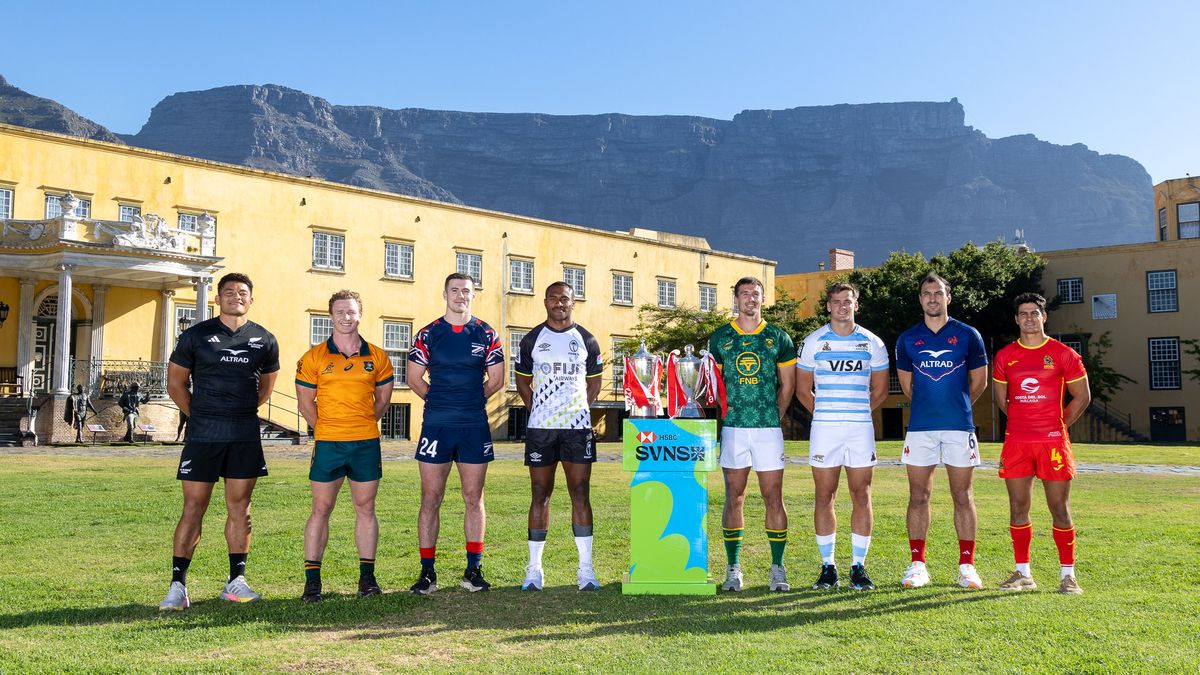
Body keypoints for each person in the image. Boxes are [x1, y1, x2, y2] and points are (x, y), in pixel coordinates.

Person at [159, 272, 280, 611]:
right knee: (193, 507)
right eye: (229, 292)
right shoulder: (195, 335)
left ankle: (235, 582)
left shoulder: (265, 339)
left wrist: (238, 412)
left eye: (242, 292)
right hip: (204, 435)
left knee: (240, 507)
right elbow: (175, 384)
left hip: (243, 435)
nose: (235, 296)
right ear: (218, 298)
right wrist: (200, 415)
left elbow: (265, 388)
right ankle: (178, 586)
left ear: (251, 300)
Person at [406, 273, 505, 594]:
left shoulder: (486, 333)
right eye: (455, 290)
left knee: (474, 497)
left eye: (466, 291)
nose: (460, 296)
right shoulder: (428, 333)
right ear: (445, 294)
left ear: (473, 295)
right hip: (437, 425)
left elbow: (497, 380)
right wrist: (439, 400)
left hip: (473, 425)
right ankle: (427, 573)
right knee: (430, 498)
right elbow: (414, 378)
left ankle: (473, 570)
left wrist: (471, 400)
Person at [295, 290, 395, 603]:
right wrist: (326, 428)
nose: (346, 317)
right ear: (331, 316)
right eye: (340, 312)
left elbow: (383, 400)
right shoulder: (313, 357)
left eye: (351, 312)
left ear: (360, 315)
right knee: (320, 508)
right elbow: (305, 403)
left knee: (366, 508)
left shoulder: (377, 356)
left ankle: (367, 579)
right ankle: (312, 582)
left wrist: (362, 423)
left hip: (365, 443)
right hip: (329, 443)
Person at [894, 273, 989, 590]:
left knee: (963, 495)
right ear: (920, 299)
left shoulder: (968, 335)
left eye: (938, 293)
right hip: (921, 428)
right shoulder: (907, 339)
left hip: (959, 427)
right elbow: (908, 387)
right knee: (918, 496)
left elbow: (979, 382)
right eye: (926, 293)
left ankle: (967, 567)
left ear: (948, 297)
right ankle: (917, 565)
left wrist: (955, 407)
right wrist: (932, 407)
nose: (932, 298)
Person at [993, 292, 1090, 594]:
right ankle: (1023, 573)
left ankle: (1068, 576)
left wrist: (1056, 425)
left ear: (1044, 317)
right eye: (1023, 313)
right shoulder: (1005, 356)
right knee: (1018, 506)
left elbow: (1082, 397)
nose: (1029, 318)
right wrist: (1025, 423)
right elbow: (1003, 401)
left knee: (1059, 507)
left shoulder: (1063, 354)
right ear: (1016, 319)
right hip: (1017, 443)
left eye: (1034, 313)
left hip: (1053, 443)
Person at [795, 282, 889, 591]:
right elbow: (803, 390)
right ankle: (828, 567)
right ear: (828, 306)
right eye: (836, 302)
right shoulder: (813, 342)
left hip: (860, 429)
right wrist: (826, 413)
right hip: (825, 429)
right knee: (825, 495)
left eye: (847, 301)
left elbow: (880, 390)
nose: (842, 307)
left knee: (862, 494)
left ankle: (858, 567)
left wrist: (857, 412)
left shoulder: (873, 342)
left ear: (856, 305)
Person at [707, 277, 796, 592]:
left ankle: (777, 567)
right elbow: (713, 385)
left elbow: (788, 385)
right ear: (736, 299)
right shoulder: (720, 338)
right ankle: (733, 568)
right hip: (734, 429)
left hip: (767, 430)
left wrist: (774, 416)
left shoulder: (778, 337)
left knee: (774, 497)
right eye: (744, 294)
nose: (750, 299)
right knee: (734, 497)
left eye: (755, 294)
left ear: (763, 299)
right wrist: (727, 412)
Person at [514, 282, 604, 592]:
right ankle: (534, 569)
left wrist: (575, 410)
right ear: (545, 302)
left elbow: (594, 385)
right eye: (553, 298)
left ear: (573, 302)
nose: (559, 303)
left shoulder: (587, 340)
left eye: (564, 298)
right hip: (542, 428)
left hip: (577, 428)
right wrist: (541, 409)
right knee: (540, 493)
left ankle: (586, 569)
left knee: (580, 492)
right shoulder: (531, 339)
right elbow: (522, 382)